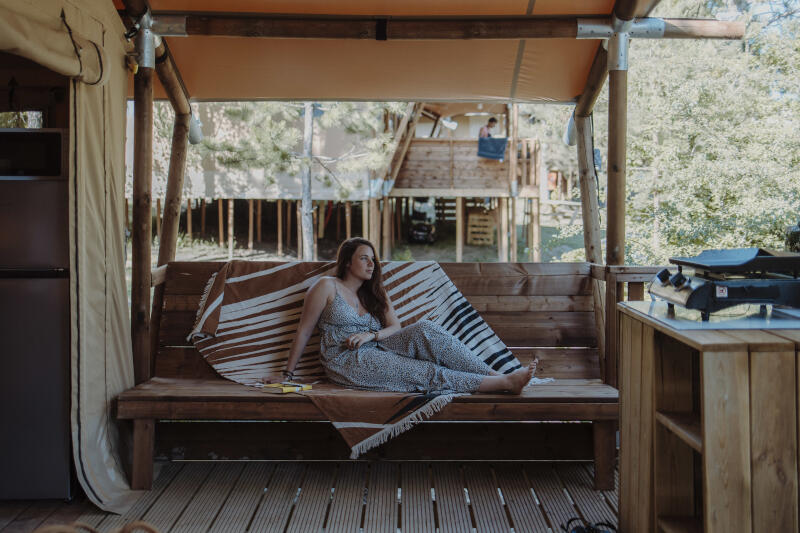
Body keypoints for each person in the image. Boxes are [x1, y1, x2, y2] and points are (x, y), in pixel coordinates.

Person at [268, 237, 536, 394]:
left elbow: (395, 326)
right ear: (347, 262)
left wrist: (370, 335)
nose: (371, 264)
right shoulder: (327, 287)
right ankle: (502, 383)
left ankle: (495, 375)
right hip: (345, 360)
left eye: (373, 259)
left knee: (426, 330)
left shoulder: (374, 292)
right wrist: (287, 375)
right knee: (425, 371)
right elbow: (304, 330)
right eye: (364, 258)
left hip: (378, 346)